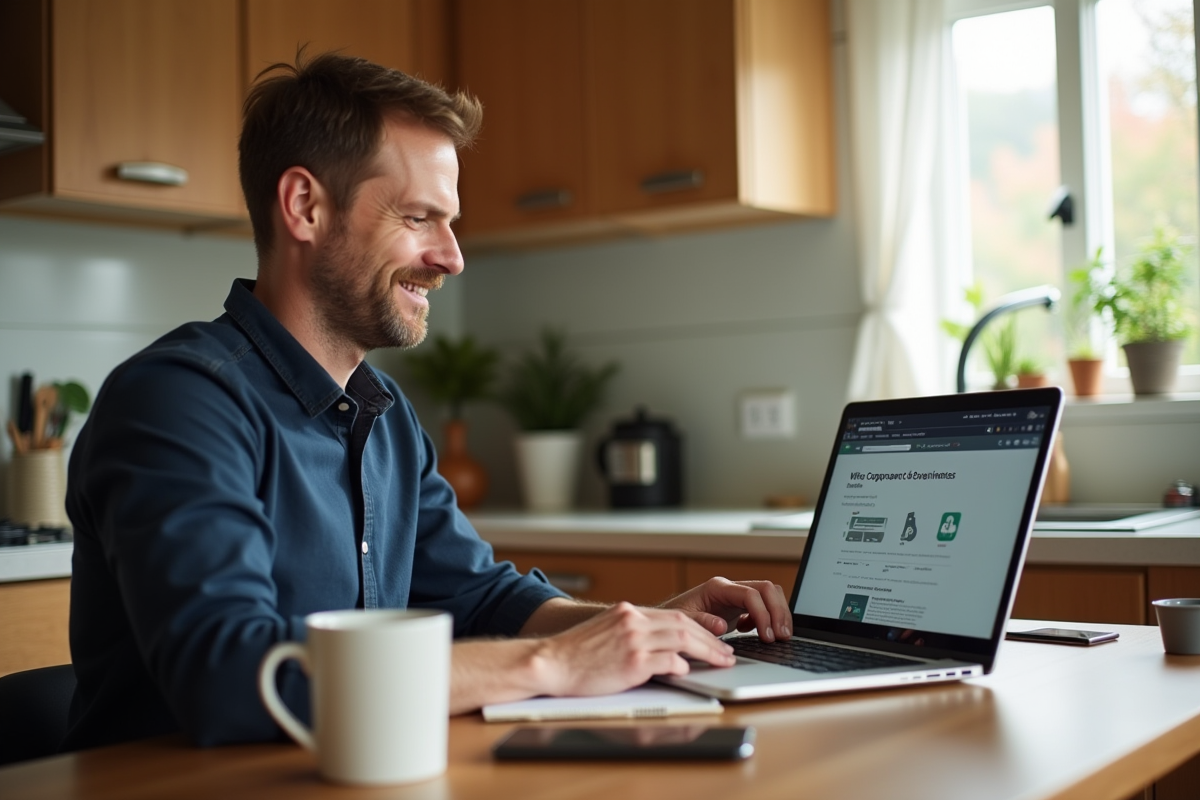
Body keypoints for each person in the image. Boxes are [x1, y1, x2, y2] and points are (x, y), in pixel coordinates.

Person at [62, 52, 792, 751]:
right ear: (305, 206)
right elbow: (228, 676)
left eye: (450, 222)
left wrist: (645, 628)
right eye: (418, 218)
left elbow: (479, 599)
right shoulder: (179, 401)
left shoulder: (382, 414)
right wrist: (553, 664)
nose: (452, 256)